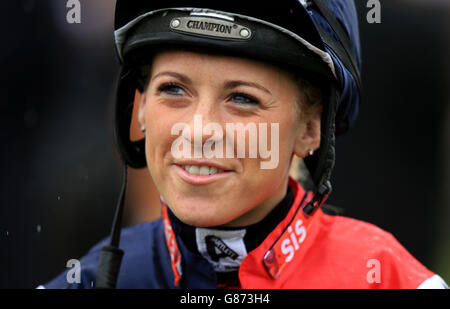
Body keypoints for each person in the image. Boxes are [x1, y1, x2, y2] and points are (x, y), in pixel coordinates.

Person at [40, 0, 448, 289]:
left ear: (311, 129)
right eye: (174, 89)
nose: (199, 131)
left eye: (242, 98)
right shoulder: (88, 280)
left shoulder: (392, 280)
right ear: (140, 109)